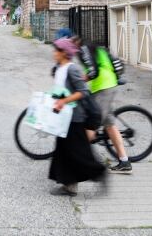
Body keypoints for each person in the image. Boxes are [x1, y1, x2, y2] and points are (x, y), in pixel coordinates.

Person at [48, 37, 105, 196]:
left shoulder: (72, 69)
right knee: (63, 151)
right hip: (63, 116)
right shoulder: (60, 68)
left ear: (64, 53)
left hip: (74, 117)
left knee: (78, 153)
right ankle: (69, 185)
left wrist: (64, 101)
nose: (53, 53)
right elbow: (60, 90)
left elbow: (83, 92)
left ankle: (99, 172)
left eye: (56, 50)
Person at [72, 36, 132, 174]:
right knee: (109, 124)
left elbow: (93, 72)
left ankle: (79, 161)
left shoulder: (84, 49)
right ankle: (124, 161)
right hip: (107, 85)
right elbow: (95, 67)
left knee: (92, 124)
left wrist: (79, 81)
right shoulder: (94, 47)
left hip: (103, 87)